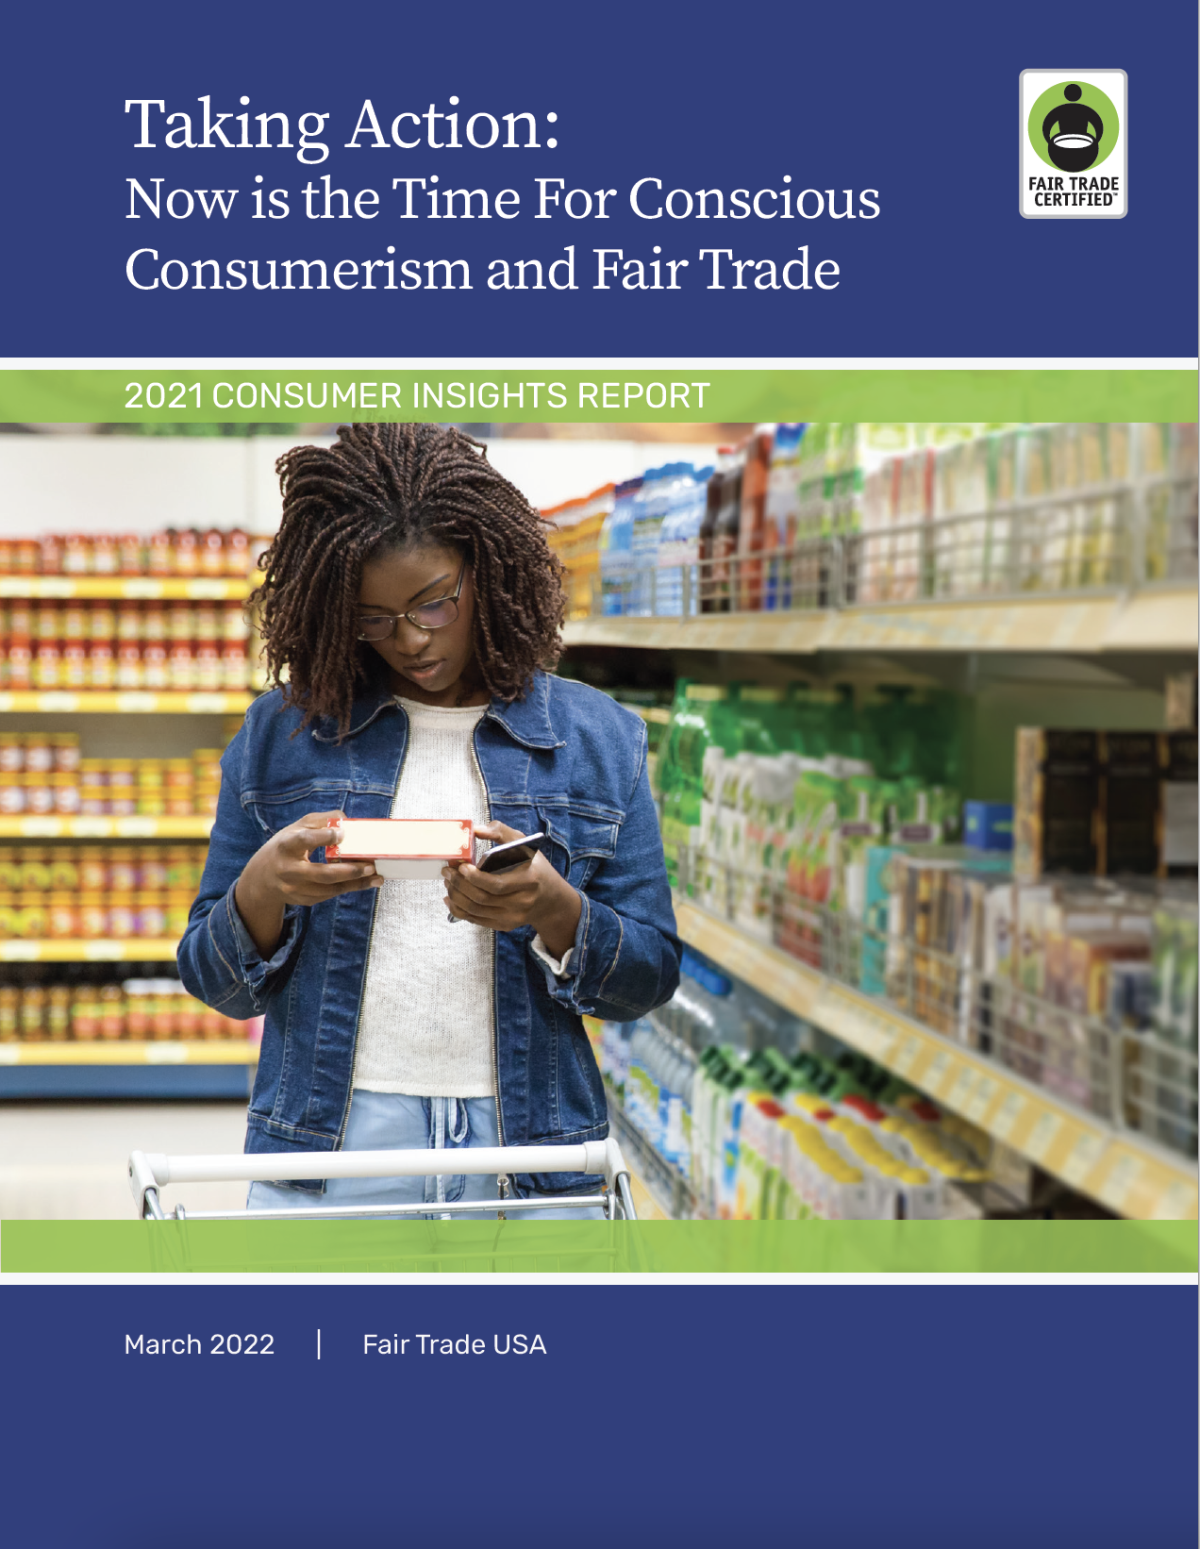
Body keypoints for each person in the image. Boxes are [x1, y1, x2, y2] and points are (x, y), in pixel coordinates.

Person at [178, 422, 681, 1218]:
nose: (409, 640)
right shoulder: (282, 733)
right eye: (373, 617)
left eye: (433, 602)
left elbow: (647, 979)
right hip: (329, 1153)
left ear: (487, 568)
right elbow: (214, 982)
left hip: (535, 1158)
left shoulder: (598, 737)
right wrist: (261, 890)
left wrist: (553, 909)